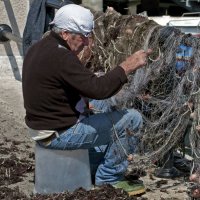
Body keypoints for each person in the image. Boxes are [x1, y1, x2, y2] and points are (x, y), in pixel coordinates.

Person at [22, 4, 152, 194]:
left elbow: (66, 88)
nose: (86, 41)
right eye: (82, 36)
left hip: (42, 126)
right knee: (132, 119)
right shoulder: (61, 57)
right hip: (59, 134)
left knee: (104, 104)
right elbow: (99, 89)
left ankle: (94, 164)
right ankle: (109, 178)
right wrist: (127, 66)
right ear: (66, 33)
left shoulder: (42, 46)